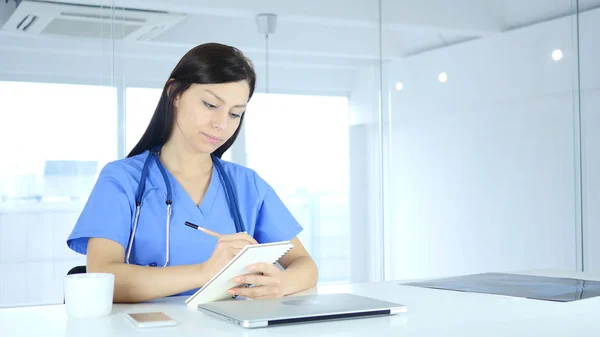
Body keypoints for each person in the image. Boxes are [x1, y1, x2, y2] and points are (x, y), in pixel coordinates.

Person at [66, 42, 318, 303]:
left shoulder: (246, 184)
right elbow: (103, 278)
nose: (221, 124)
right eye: (210, 105)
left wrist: (281, 282)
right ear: (174, 93)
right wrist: (204, 272)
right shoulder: (122, 179)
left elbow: (305, 265)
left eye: (235, 114)